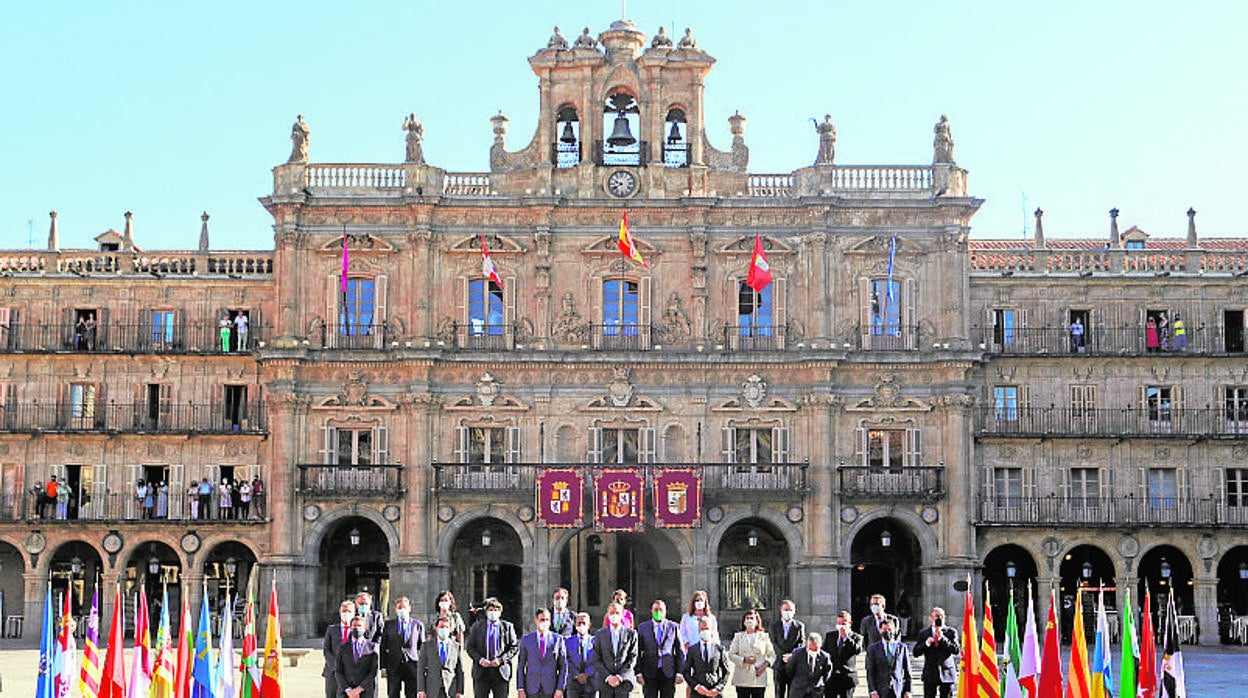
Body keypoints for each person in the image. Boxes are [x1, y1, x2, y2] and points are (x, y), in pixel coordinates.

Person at [466, 597, 519, 698]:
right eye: (491, 610)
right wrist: (480, 660)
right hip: (481, 672)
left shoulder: (507, 627)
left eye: (496, 610)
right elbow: (470, 647)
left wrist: (501, 659)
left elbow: (514, 647)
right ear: (486, 612)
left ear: (500, 612)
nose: (493, 612)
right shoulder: (477, 627)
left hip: (500, 672)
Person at [516, 607, 568, 698]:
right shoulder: (527, 639)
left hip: (550, 688)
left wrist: (560, 688)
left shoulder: (558, 639)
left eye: (547, 619)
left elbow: (563, 666)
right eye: (542, 619)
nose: (544, 622)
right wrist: (520, 688)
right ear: (536, 620)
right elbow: (521, 666)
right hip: (531, 688)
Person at [637, 599, 684, 698]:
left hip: (668, 671)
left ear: (665, 611)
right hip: (649, 672)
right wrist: (638, 672)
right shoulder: (643, 627)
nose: (658, 612)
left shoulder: (673, 627)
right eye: (656, 609)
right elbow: (637, 651)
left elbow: (680, 651)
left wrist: (679, 672)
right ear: (652, 611)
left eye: (661, 610)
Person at [591, 602, 638, 698]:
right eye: (611, 613)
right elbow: (596, 658)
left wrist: (620, 677)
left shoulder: (631, 634)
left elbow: (632, 657)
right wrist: (608, 677)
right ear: (607, 615)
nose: (614, 615)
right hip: (605, 682)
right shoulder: (600, 634)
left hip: (623, 682)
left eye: (617, 613)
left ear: (622, 615)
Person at [381, 596, 425, 698]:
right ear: (395, 609)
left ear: (409, 608)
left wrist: (423, 666)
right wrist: (383, 666)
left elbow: (422, 647)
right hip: (393, 665)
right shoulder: (388, 625)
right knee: (393, 693)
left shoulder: (417, 625)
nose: (402, 610)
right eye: (399, 607)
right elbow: (383, 646)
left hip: (412, 665)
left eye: (404, 607)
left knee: (412, 693)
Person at [911, 607, 958, 698]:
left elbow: (955, 650)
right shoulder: (924, 633)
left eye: (941, 616)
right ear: (931, 618)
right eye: (936, 616)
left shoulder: (951, 632)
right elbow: (916, 653)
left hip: (946, 673)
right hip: (930, 673)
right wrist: (926, 643)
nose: (939, 618)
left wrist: (942, 639)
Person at [726, 609, 774, 698]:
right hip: (742, 678)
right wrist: (744, 660)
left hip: (758, 678)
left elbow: (772, 655)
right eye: (747, 618)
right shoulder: (738, 636)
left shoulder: (764, 636)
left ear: (757, 621)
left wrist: (763, 667)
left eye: (752, 618)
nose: (749, 621)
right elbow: (731, 654)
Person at [417, 615, 465, 698]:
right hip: (432, 689)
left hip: (450, 688)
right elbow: (421, 669)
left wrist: (460, 691)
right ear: (436, 628)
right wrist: (421, 689)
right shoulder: (427, 646)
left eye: (446, 627)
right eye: (441, 626)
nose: (444, 629)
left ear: (451, 629)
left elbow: (460, 670)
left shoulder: (456, 646)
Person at [682, 616, 730, 698]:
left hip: (715, 693)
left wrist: (718, 688)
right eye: (702, 629)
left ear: (711, 630)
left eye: (707, 628)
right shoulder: (692, 650)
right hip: (697, 693)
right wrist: (696, 686)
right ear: (698, 630)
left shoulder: (719, 649)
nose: (704, 631)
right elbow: (686, 672)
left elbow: (726, 672)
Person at [864, 618, 912, 698]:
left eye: (890, 629)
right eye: (884, 629)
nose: (887, 632)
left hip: (898, 689)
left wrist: (908, 690)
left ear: (895, 630)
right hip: (880, 690)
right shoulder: (873, 648)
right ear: (880, 630)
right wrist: (872, 690)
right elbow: (870, 671)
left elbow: (908, 671)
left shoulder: (902, 647)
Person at [338, 614, 381, 698]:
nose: (357, 628)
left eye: (359, 626)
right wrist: (348, 690)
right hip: (346, 693)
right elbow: (338, 671)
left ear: (365, 628)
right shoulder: (342, 647)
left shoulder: (372, 647)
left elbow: (372, 672)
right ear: (350, 628)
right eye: (354, 626)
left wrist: (359, 689)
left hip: (366, 692)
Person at [769, 600, 805, 698]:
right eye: (785, 610)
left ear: (794, 611)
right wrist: (782, 656)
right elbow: (773, 643)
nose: (788, 612)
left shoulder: (799, 626)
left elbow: (801, 643)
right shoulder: (774, 626)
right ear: (781, 610)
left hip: (794, 665)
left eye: (790, 610)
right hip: (779, 664)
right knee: (778, 692)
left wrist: (792, 656)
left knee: (793, 693)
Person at [824, 612, 863, 698]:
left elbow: (857, 650)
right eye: (839, 623)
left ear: (850, 623)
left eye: (843, 624)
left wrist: (846, 638)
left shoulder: (856, 637)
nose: (841, 626)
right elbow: (824, 652)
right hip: (832, 677)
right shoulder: (830, 636)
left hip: (847, 677)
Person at [325, 600, 359, 698]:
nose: (346, 614)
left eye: (349, 611)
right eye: (344, 611)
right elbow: (327, 650)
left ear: (353, 613)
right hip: (333, 672)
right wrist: (336, 667)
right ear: (340, 612)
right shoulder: (331, 629)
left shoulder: (358, 630)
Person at [787, 633, 831, 698]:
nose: (813, 652)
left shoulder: (824, 657)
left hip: (816, 692)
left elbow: (827, 672)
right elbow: (790, 669)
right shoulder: (797, 654)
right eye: (811, 649)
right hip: (798, 691)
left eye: (815, 650)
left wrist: (818, 683)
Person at [565, 613, 596, 698]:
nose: (581, 625)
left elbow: (598, 660)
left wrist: (587, 674)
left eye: (584, 623)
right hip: (573, 683)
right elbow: (566, 660)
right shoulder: (568, 641)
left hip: (591, 682)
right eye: (579, 623)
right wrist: (577, 675)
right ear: (575, 625)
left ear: (589, 625)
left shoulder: (595, 641)